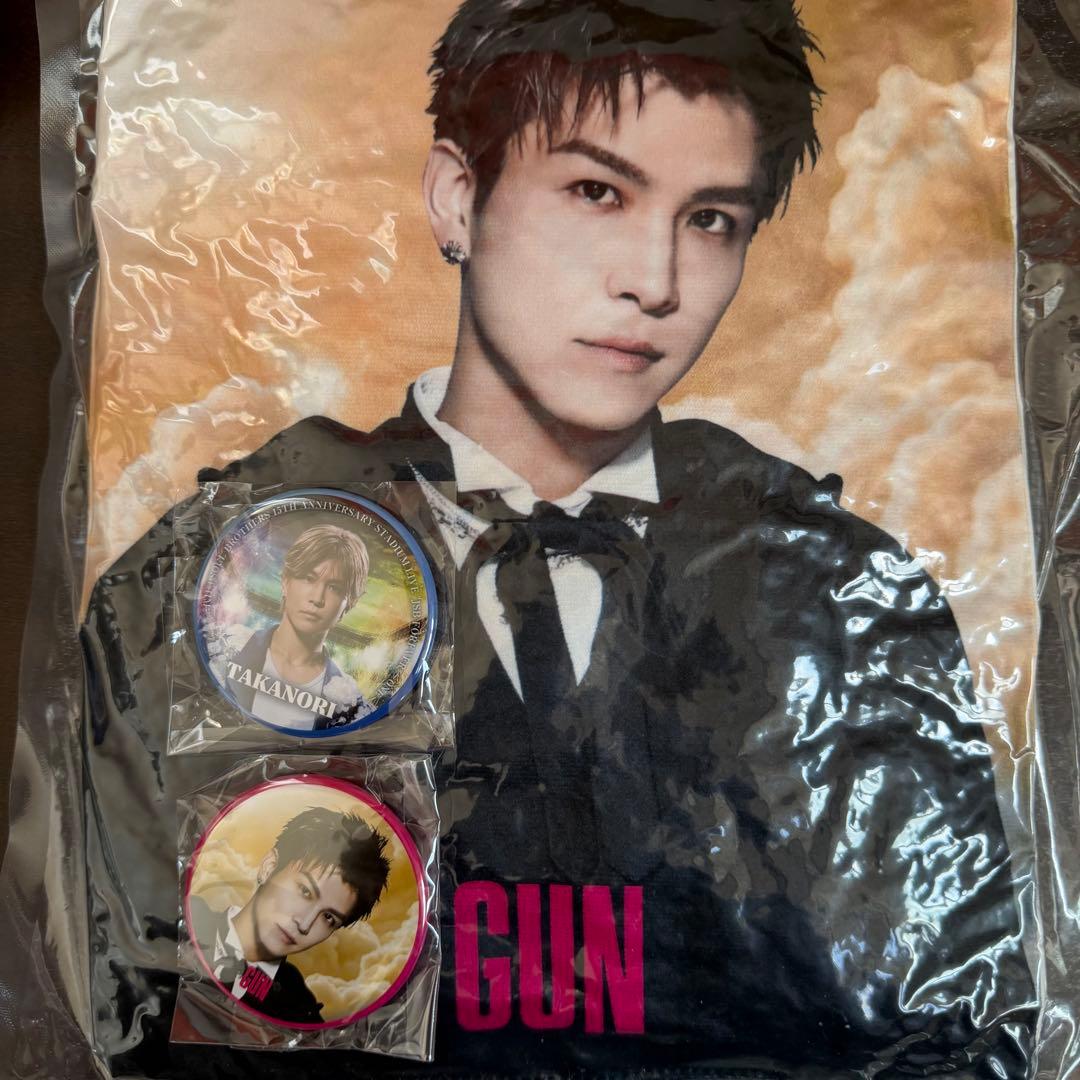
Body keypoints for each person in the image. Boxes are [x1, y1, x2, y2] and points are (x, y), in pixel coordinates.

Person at [83, 0, 1036, 1073]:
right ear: (459, 197)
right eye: (597, 192)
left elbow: (951, 1027)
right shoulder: (232, 562)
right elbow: (110, 1000)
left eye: (710, 219)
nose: (654, 282)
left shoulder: (830, 588)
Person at [187, 807, 391, 1025]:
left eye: (328, 917)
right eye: (305, 891)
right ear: (269, 867)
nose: (304, 923)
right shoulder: (186, 919)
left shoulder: (300, 1011)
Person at [225, 524, 373, 730]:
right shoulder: (227, 647)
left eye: (334, 588)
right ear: (285, 581)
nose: (317, 598)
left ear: (349, 604)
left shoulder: (350, 704)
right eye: (309, 579)